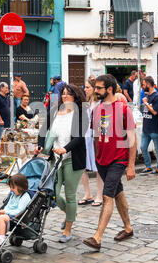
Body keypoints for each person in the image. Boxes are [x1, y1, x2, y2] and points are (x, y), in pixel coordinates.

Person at [82, 74, 136, 251]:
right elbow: (97, 136)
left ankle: (97, 237)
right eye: (95, 88)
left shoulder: (122, 109)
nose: (95, 90)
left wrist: (131, 165)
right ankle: (128, 228)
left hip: (118, 159)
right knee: (118, 193)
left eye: (99, 88)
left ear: (110, 89)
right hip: (102, 160)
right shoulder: (97, 109)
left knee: (107, 196)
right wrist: (98, 158)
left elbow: (132, 138)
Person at [36, 84, 88, 243]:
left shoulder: (81, 114)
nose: (64, 97)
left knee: (70, 195)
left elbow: (79, 138)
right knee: (53, 193)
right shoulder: (54, 112)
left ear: (76, 97)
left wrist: (65, 149)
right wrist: (40, 144)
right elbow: (43, 130)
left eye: (68, 94)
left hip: (73, 158)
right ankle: (71, 213)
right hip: (55, 158)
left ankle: (68, 229)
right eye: (63, 94)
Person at [0, 174, 32, 246]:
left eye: (13, 187)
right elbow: (8, 206)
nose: (11, 189)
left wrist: (5, 212)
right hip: (7, 214)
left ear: (21, 187)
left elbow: (20, 211)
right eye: (10, 187)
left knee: (1, 218)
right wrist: (3, 211)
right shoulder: (13, 195)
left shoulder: (25, 197)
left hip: (16, 216)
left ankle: (1, 237)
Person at [79, 78, 104, 207]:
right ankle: (87, 193)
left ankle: (99, 194)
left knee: (98, 166)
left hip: (95, 137)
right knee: (83, 166)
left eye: (87, 87)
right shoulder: (86, 102)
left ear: (94, 89)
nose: (85, 89)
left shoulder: (100, 103)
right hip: (85, 136)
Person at [140, 76, 158, 175]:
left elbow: (154, 112)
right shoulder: (148, 96)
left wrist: (146, 103)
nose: (142, 86)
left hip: (155, 128)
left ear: (148, 84)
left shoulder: (157, 96)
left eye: (143, 84)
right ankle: (148, 166)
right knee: (143, 147)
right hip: (146, 128)